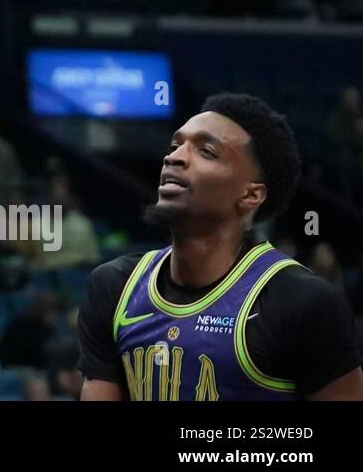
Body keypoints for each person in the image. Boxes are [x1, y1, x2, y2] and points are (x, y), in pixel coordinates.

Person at [78, 94, 363, 400]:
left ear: (250, 195)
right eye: (176, 145)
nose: (174, 157)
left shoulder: (303, 302)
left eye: (206, 151)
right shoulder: (113, 287)